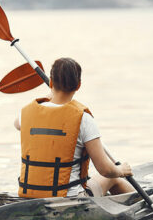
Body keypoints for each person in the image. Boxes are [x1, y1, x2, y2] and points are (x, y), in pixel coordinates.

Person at [14, 57, 135, 198]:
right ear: (78, 85)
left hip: (31, 196)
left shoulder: (27, 113)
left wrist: (50, 95)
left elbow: (17, 124)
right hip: (70, 198)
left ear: (51, 82)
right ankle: (144, 205)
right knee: (113, 178)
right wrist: (121, 170)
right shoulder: (83, 119)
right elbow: (105, 170)